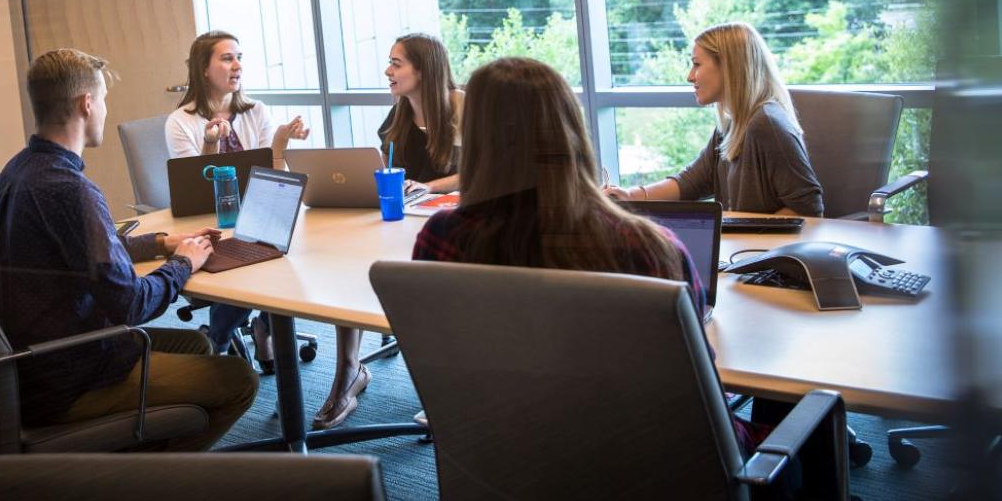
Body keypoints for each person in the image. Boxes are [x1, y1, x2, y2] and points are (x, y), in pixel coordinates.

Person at [411, 56, 765, 454]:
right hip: (655, 478)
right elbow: (700, 396)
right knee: (805, 429)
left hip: (509, 469)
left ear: (476, 139)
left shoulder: (439, 241)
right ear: (569, 131)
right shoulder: (646, 248)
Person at [0, 48, 258, 451]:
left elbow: (81, 249)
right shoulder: (70, 190)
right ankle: (147, 484)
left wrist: (162, 244)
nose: (104, 111)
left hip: (36, 361)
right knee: (238, 380)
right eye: (104, 101)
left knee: (197, 345)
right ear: (86, 103)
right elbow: (130, 304)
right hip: (72, 377)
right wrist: (184, 264)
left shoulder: (21, 170)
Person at [312, 32, 464, 431]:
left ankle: (444, 385)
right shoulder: (398, 113)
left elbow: (479, 170)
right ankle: (348, 368)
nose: (387, 71)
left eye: (396, 63)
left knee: (435, 288)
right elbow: (384, 168)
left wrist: (430, 186)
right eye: (390, 62)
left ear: (424, 68)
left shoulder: (460, 105)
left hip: (449, 220)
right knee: (351, 259)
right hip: (405, 217)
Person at [165, 31, 309, 358]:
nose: (237, 65)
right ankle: (220, 339)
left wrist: (281, 143)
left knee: (284, 251)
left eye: (240, 58)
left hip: (260, 216)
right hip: (212, 221)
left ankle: (261, 328)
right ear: (204, 68)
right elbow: (195, 190)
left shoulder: (256, 110)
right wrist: (210, 142)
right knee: (242, 264)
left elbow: (274, 179)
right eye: (227, 58)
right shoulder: (180, 121)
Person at [606, 22, 823, 216]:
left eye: (697, 64)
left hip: (762, 256)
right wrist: (629, 196)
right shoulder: (732, 125)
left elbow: (808, 208)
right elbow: (691, 182)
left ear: (728, 67)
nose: (690, 76)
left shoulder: (766, 124)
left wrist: (748, 240)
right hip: (744, 252)